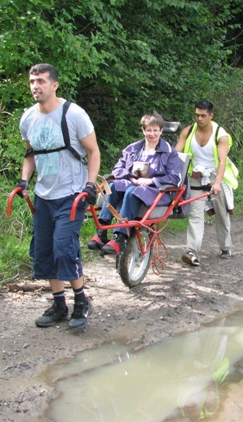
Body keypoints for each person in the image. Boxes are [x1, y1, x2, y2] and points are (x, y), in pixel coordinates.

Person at [18, 63, 101, 330]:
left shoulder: (73, 114)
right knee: (44, 251)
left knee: (64, 247)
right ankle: (58, 305)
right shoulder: (28, 118)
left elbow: (94, 152)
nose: (35, 86)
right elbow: (30, 154)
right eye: (32, 81)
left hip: (72, 194)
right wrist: (23, 180)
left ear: (54, 85)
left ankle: (81, 302)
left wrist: (90, 185)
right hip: (44, 196)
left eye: (41, 81)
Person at [87, 113, 182, 255]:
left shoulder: (170, 153)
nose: (152, 134)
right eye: (149, 130)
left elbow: (175, 177)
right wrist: (130, 177)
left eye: (156, 130)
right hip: (134, 184)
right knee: (112, 187)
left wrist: (151, 180)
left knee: (132, 191)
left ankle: (120, 237)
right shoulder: (133, 149)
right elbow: (118, 169)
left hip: (157, 190)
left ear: (161, 131)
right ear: (143, 130)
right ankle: (102, 231)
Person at [175, 99, 238, 266]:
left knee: (222, 215)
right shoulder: (188, 132)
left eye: (203, 116)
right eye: (196, 115)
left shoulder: (220, 135)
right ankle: (191, 251)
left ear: (211, 115)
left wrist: (217, 183)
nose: (199, 119)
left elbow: (222, 161)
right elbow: (176, 155)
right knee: (195, 215)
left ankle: (225, 247)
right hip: (195, 177)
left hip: (215, 176)